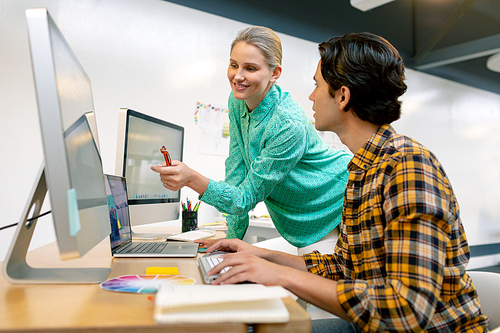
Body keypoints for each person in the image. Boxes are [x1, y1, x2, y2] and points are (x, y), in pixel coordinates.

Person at [201, 32, 489, 332]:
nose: (311, 96)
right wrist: (262, 256)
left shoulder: (408, 166)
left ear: (342, 96)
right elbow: (346, 267)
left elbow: (407, 311)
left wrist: (281, 276)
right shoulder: (360, 169)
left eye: (317, 85)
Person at [151, 26, 351, 253]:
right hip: (301, 213)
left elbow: (244, 199)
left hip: (333, 204)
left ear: (275, 73)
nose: (237, 76)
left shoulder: (287, 124)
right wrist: (231, 238)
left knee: (313, 280)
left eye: (250, 68)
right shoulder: (237, 102)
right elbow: (237, 171)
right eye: (234, 65)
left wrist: (191, 178)